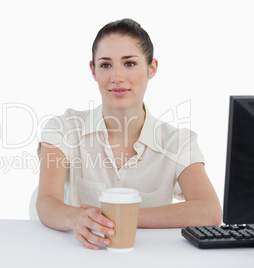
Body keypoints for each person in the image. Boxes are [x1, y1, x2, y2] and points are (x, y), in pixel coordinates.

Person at [36, 18, 222, 250]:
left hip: (151, 259)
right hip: (83, 256)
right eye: (105, 65)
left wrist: (124, 217)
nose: (117, 77)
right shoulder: (64, 128)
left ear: (152, 68)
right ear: (93, 70)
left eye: (130, 63)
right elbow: (45, 202)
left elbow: (209, 211)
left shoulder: (178, 142)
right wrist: (74, 219)